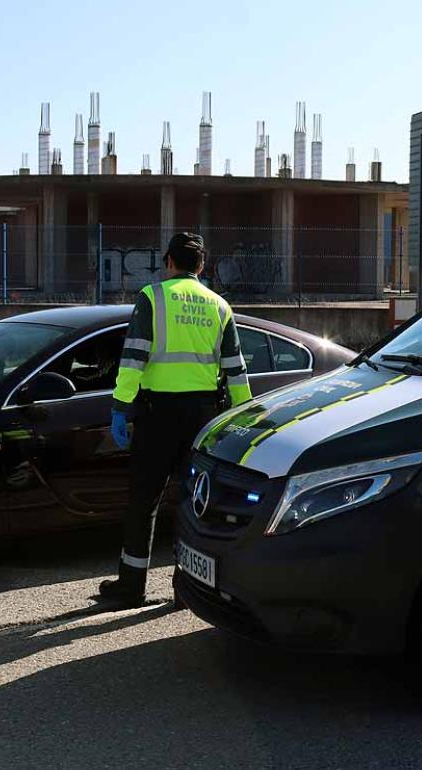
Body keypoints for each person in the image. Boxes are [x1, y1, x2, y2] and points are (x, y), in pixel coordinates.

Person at [99, 232, 252, 606]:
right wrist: (243, 416)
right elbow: (236, 368)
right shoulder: (219, 306)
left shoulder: (153, 298)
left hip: (158, 415)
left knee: (144, 500)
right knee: (192, 502)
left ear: (168, 261)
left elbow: (134, 357)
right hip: (203, 417)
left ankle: (131, 586)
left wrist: (121, 407)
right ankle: (187, 589)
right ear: (201, 266)